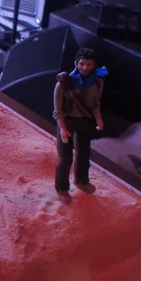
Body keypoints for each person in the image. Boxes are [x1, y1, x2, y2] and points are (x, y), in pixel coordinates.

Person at [52, 47, 108, 199]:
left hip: (84, 120)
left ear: (94, 65)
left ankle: (82, 181)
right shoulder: (63, 84)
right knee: (65, 158)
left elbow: (95, 104)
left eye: (89, 64)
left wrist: (99, 119)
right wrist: (62, 129)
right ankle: (62, 189)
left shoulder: (96, 82)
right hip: (67, 121)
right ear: (76, 63)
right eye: (82, 64)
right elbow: (58, 111)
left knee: (84, 153)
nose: (85, 67)